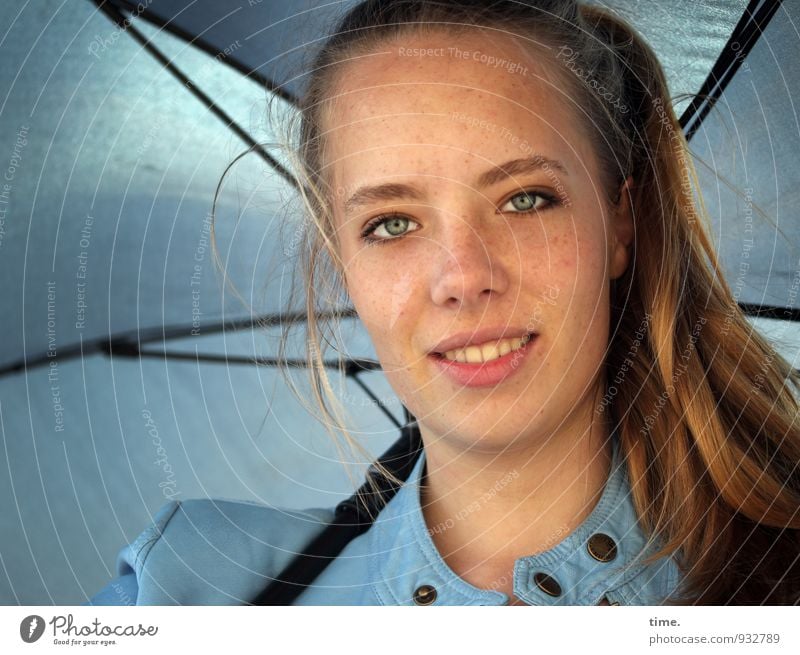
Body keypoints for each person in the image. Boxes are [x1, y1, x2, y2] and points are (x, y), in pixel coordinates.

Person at [89, 0, 800, 606]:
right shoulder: (199, 590)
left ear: (619, 223)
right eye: (392, 222)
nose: (462, 276)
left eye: (526, 199)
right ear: (343, 263)